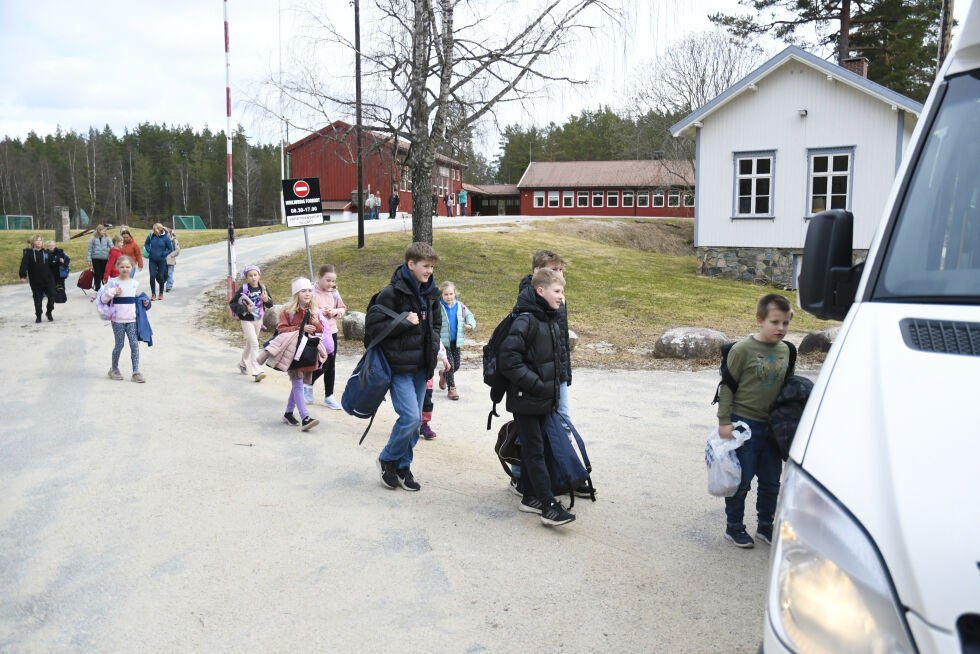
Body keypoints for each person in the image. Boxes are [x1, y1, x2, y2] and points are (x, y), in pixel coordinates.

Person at [363, 242, 447, 491]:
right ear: (411, 264)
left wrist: (434, 353)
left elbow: (436, 326)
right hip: (399, 369)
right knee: (410, 418)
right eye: (425, 266)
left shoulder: (432, 293)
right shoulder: (391, 293)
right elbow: (372, 328)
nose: (429, 271)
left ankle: (403, 465)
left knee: (415, 421)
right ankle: (387, 458)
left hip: (422, 367)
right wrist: (402, 321)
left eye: (432, 266)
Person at [498, 268, 576, 527]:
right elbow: (508, 360)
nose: (561, 296)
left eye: (562, 291)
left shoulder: (549, 318)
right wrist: (536, 384)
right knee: (535, 451)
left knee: (539, 447)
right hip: (526, 399)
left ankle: (530, 495)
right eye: (557, 291)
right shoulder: (526, 320)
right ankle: (548, 505)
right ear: (540, 291)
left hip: (541, 399)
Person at [716, 293, 794, 549]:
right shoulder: (742, 350)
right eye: (775, 322)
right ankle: (734, 527)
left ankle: (765, 526)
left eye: (785, 323)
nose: (781, 328)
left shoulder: (787, 350)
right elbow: (726, 386)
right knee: (742, 481)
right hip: (744, 426)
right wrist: (725, 421)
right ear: (760, 320)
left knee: (772, 482)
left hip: (773, 427)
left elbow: (787, 389)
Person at [259, 278, 327, 431]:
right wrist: (301, 329)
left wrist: (316, 323)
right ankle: (305, 417)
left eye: (309, 290)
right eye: (303, 291)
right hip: (292, 351)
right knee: (297, 381)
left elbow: (321, 330)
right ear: (296, 294)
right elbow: (282, 330)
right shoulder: (287, 310)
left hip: (306, 351)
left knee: (299, 382)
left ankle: (288, 413)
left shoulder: (313, 309)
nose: (307, 294)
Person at [100, 255, 151, 383]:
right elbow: (103, 299)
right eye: (122, 266)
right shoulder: (112, 282)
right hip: (117, 321)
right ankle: (114, 368)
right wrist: (112, 292)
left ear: (132, 268)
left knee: (134, 345)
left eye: (127, 267)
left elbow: (137, 300)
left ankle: (136, 371)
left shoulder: (134, 283)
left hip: (132, 320)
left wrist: (145, 302)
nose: (125, 269)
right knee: (119, 344)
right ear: (117, 267)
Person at [311, 264, 346, 409]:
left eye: (333, 281)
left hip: (331, 332)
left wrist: (334, 311)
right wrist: (318, 312)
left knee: (330, 365)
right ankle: (306, 384)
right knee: (319, 363)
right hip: (316, 332)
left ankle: (329, 396)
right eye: (328, 280)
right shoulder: (311, 291)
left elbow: (343, 308)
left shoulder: (334, 293)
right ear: (319, 278)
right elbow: (305, 308)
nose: (331, 284)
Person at [230, 265, 272, 383]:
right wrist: (244, 309)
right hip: (247, 320)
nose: (253, 278)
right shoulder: (243, 289)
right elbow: (232, 304)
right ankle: (257, 371)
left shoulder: (263, 288)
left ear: (259, 275)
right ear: (246, 277)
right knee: (254, 344)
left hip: (259, 320)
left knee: (250, 343)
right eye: (250, 276)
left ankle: (242, 364)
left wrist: (266, 300)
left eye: (255, 275)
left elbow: (270, 305)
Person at [438, 281, 476, 400]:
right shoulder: (438, 307)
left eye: (451, 294)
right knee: (451, 366)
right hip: (445, 343)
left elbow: (470, 316)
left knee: (457, 365)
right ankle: (452, 389)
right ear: (441, 295)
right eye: (446, 294)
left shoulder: (460, 306)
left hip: (456, 341)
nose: (449, 297)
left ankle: (443, 375)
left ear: (455, 293)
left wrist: (470, 324)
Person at [19, 234, 56, 323]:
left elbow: (53, 264)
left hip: (48, 280)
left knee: (52, 297)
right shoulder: (29, 254)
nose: (39, 242)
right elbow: (23, 266)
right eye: (37, 240)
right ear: (33, 242)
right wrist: (23, 276)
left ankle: (49, 312)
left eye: (40, 240)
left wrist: (61, 262)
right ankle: (38, 315)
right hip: (36, 281)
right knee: (38, 300)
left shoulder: (47, 253)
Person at [419, 342, 452, 440]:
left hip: (426, 373)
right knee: (411, 402)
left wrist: (444, 357)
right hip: (410, 370)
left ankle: (424, 424)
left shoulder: (431, 329)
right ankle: (406, 423)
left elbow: (436, 340)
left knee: (427, 402)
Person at [144, 223, 173, 300]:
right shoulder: (151, 236)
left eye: (155, 229)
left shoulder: (166, 238)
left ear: (160, 229)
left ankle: (161, 294)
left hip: (161, 260)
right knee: (152, 276)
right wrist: (149, 250)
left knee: (160, 276)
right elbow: (146, 244)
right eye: (153, 229)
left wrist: (164, 253)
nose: (153, 231)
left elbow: (170, 249)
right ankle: (153, 294)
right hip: (152, 260)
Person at [87, 224, 111, 292]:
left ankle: (105, 287)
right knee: (97, 273)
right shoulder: (93, 238)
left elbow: (112, 247)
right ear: (99, 230)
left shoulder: (107, 238)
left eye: (104, 230)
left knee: (104, 273)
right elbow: (89, 249)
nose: (104, 232)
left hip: (105, 258)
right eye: (103, 230)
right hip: (95, 258)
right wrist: (89, 260)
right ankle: (98, 288)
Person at [165, 228, 180, 292]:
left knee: (169, 273)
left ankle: (168, 287)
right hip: (163, 260)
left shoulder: (174, 241)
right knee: (164, 274)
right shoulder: (163, 240)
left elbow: (177, 250)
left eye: (167, 232)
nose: (166, 234)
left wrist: (171, 255)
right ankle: (170, 281)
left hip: (171, 260)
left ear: (170, 233)